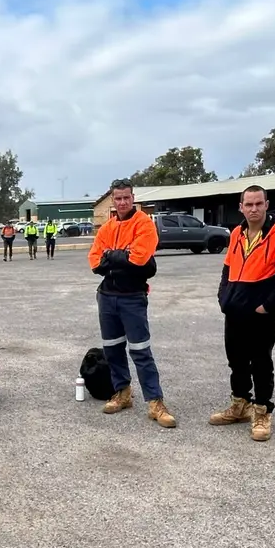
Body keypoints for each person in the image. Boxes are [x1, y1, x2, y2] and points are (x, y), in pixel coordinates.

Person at [210, 186, 275, 441]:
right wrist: (223, 298)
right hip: (235, 310)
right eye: (248, 204)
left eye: (258, 203)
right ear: (241, 207)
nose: (254, 209)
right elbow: (228, 269)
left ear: (266, 204)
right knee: (236, 360)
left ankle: (261, 410)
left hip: (260, 313)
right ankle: (239, 404)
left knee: (260, 362)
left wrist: (267, 305)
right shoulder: (237, 232)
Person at [89, 181, 175, 427]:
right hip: (107, 296)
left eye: (126, 198)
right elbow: (95, 261)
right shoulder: (107, 227)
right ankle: (122, 392)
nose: (122, 202)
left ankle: (155, 401)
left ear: (132, 198)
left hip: (132, 297)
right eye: (118, 198)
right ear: (113, 200)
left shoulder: (144, 225)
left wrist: (111, 256)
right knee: (113, 348)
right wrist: (121, 255)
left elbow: (140, 258)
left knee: (140, 351)